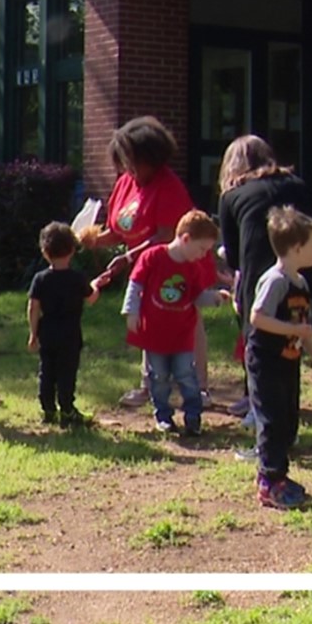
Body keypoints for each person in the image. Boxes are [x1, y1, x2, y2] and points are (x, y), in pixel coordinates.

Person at [215, 134, 312, 420]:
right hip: (306, 278)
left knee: (260, 344)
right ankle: (285, 409)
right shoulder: (296, 185)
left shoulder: (232, 196)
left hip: (260, 281)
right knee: (292, 338)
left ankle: (257, 406)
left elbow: (234, 258)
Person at [86, 117, 199, 408]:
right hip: (145, 269)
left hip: (175, 267)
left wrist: (127, 258)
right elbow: (119, 231)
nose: (130, 170)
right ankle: (149, 384)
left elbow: (164, 235)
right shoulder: (126, 183)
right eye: (126, 163)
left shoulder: (168, 185)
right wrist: (94, 240)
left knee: (186, 322)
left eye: (134, 162)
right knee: (149, 324)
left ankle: (199, 386)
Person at [248, 206, 312, 509]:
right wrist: (291, 328)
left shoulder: (301, 283)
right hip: (265, 360)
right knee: (270, 420)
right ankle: (269, 481)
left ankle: (278, 475)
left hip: (288, 359)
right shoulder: (276, 280)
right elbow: (258, 317)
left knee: (286, 419)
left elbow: (303, 327)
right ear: (296, 248)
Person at [125, 211, 229, 436]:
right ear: (185, 239)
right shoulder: (153, 257)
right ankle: (163, 416)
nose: (203, 255)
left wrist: (214, 297)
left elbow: (195, 295)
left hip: (182, 332)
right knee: (159, 377)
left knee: (186, 375)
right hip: (154, 331)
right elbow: (135, 285)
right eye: (202, 249)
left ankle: (193, 417)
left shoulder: (193, 267)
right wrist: (131, 311)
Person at [27, 221, 98, 427]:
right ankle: (67, 408)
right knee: (67, 372)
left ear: (44, 252)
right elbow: (91, 298)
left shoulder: (40, 279)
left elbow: (33, 307)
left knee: (47, 370)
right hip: (70, 334)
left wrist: (33, 334)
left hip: (47, 332)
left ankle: (48, 408)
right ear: (72, 250)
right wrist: (95, 285)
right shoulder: (77, 278)